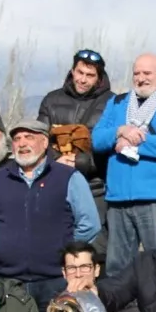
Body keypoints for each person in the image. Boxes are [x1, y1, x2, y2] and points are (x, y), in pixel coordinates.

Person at [0, 118, 102, 312]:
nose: (22, 143)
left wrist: (64, 250)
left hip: (55, 280)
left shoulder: (68, 177)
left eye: (29, 137)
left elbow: (89, 224)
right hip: (10, 281)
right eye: (17, 139)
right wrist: (7, 244)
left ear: (44, 143)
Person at [92, 53, 156, 274]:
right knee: (117, 268)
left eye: (147, 73)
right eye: (136, 73)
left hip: (155, 198)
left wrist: (135, 142)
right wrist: (119, 131)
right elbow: (97, 139)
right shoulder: (117, 102)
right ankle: (121, 309)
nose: (141, 78)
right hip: (118, 198)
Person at [38, 48, 113, 213]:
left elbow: (111, 146)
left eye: (90, 75)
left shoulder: (112, 103)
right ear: (72, 71)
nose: (83, 79)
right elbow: (40, 139)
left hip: (95, 188)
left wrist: (81, 163)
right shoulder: (51, 100)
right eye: (80, 72)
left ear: (99, 78)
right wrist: (55, 160)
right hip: (55, 183)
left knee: (94, 237)